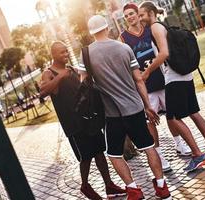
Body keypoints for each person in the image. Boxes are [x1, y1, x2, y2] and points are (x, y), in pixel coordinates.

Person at [83, 15, 172, 200]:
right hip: (135, 108)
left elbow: (83, 84)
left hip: (112, 113)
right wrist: (148, 106)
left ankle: (133, 189)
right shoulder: (124, 48)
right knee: (148, 146)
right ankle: (162, 187)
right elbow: (139, 80)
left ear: (91, 33)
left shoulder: (86, 54)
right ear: (107, 28)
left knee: (114, 154)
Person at [138, 1, 205, 172]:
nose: (140, 18)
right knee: (193, 112)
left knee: (173, 118)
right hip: (185, 75)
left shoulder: (155, 27)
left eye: (142, 15)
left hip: (174, 78)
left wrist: (147, 72)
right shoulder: (162, 26)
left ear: (151, 13)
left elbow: (164, 53)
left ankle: (197, 154)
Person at [40, 41, 126, 200]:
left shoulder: (71, 69)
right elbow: (43, 92)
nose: (65, 54)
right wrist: (60, 76)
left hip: (88, 119)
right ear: (53, 55)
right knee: (86, 156)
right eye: (61, 52)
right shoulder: (49, 72)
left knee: (100, 151)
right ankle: (85, 186)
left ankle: (109, 186)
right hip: (73, 124)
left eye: (66, 51)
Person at [120, 3, 192, 173]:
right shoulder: (123, 38)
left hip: (163, 78)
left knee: (172, 115)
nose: (130, 17)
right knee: (151, 122)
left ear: (138, 14)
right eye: (126, 16)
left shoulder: (150, 29)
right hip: (145, 85)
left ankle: (178, 143)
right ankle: (159, 154)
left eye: (132, 13)